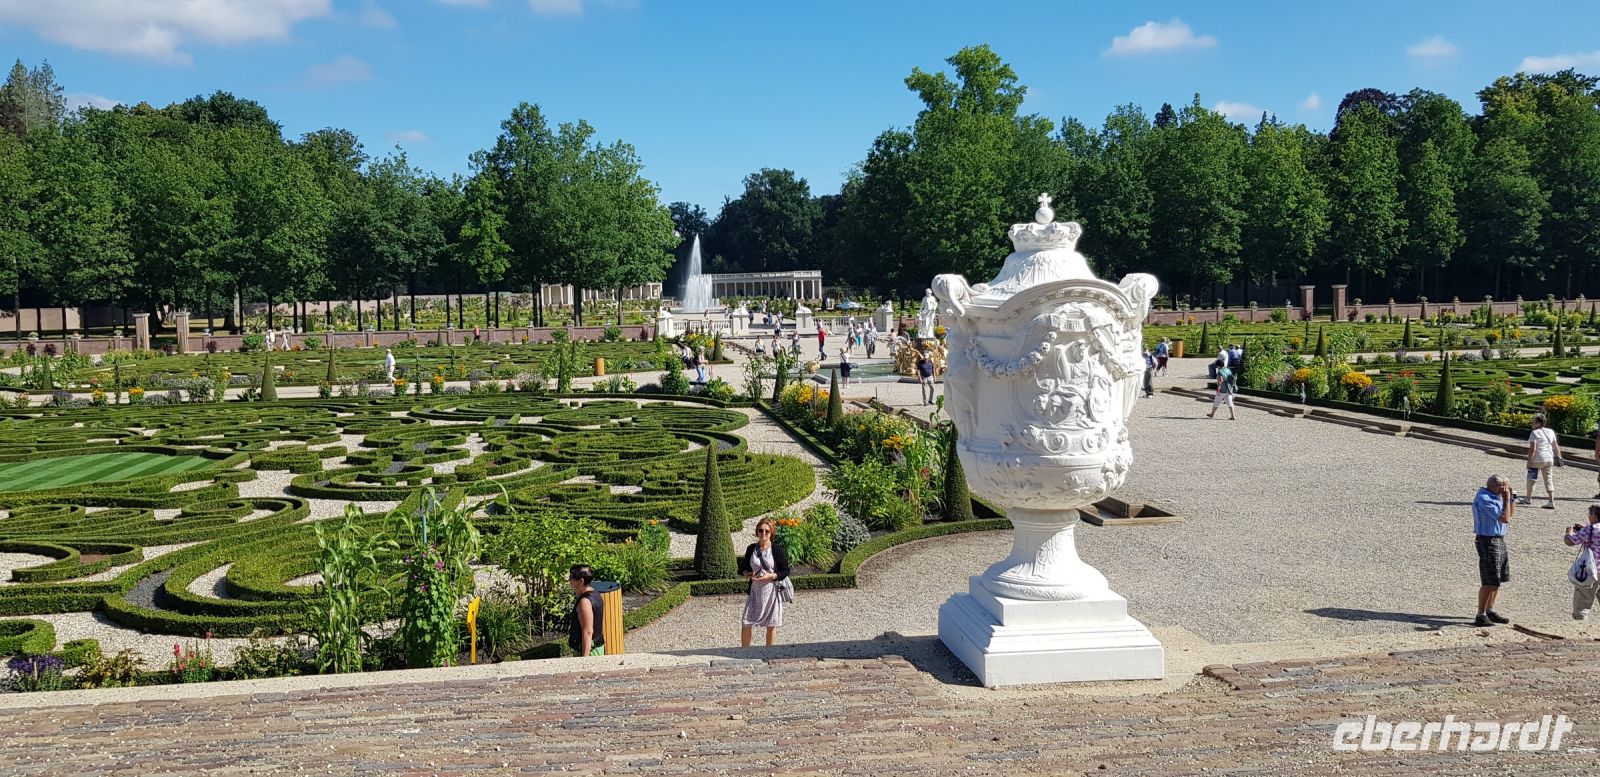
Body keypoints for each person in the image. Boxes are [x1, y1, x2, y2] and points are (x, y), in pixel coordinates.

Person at [1472, 474, 1515, 627]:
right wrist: (1505, 499)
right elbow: (1505, 519)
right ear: (1493, 486)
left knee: (1498, 579)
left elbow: (1510, 514)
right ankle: (1480, 614)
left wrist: (1510, 499)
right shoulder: (1485, 499)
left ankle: (1490, 610)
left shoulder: (1497, 496)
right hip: (1487, 540)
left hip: (1499, 539)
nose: (1506, 489)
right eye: (1503, 487)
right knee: (1489, 579)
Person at [738, 517, 789, 647]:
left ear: (771, 533)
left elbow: (785, 570)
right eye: (761, 530)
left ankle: (769, 653)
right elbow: (742, 568)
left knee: (771, 624)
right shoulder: (751, 549)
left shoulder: (776, 550)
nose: (764, 534)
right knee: (746, 622)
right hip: (755, 592)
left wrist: (771, 576)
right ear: (757, 532)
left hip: (771, 592)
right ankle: (744, 653)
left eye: (767, 531)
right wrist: (748, 574)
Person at [1564, 505, 1600, 620]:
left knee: (1584, 594)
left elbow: (1570, 542)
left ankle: (1579, 622)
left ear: (1594, 516)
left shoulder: (1590, 530)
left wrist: (1568, 533)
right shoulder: (1590, 529)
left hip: (1592, 569)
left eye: (1590, 513)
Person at [1524, 414, 1562, 509]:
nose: (1532, 423)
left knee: (1531, 479)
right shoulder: (1550, 431)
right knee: (1548, 480)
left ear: (1538, 423)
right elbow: (1555, 446)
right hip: (1549, 458)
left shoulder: (1534, 433)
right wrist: (1559, 456)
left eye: (1533, 422)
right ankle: (1551, 501)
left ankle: (1528, 498)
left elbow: (1533, 449)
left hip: (1537, 459)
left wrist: (1529, 461)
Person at [567, 564, 605, 656]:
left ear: (581, 581)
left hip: (589, 651)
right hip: (596, 647)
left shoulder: (585, 602)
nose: (569, 580)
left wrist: (584, 659)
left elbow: (588, 631)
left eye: (572, 577)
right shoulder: (595, 593)